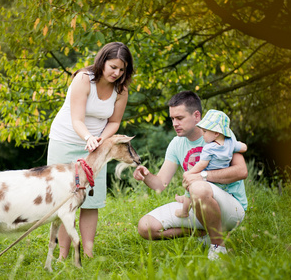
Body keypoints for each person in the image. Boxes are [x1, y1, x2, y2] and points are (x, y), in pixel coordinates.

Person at [133, 91, 248, 260]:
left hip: (231, 209)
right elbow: (160, 184)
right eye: (172, 119)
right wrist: (147, 175)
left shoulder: (220, 133)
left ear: (196, 116)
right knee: (146, 227)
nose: (174, 123)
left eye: (179, 118)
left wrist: (203, 176)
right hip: (197, 204)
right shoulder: (176, 144)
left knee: (198, 187)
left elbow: (241, 171)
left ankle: (218, 248)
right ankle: (205, 232)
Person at [48, 42, 134, 259]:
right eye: (113, 67)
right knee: (65, 200)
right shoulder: (84, 79)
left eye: (122, 69)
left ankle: (87, 253)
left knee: (90, 200)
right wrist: (88, 137)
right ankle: (63, 254)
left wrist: (99, 141)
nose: (117, 73)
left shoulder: (121, 89)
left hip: (96, 146)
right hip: (66, 141)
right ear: (102, 61)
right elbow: (76, 118)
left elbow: (114, 122)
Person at [175, 109, 248, 218]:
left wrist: (190, 173)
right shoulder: (230, 143)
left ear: (216, 133)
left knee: (191, 187)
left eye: (205, 131)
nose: (202, 134)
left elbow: (202, 164)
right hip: (223, 184)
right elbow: (244, 147)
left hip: (209, 179)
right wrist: (239, 146)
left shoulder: (209, 148)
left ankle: (184, 211)